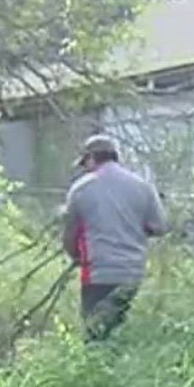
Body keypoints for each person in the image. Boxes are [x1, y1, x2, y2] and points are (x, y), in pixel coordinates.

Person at [61, 134, 168, 341]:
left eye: (86, 163)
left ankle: (98, 370)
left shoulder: (81, 189)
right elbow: (159, 227)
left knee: (96, 335)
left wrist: (76, 257)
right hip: (133, 273)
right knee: (119, 329)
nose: (86, 168)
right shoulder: (142, 186)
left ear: (92, 158)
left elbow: (70, 238)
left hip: (98, 274)